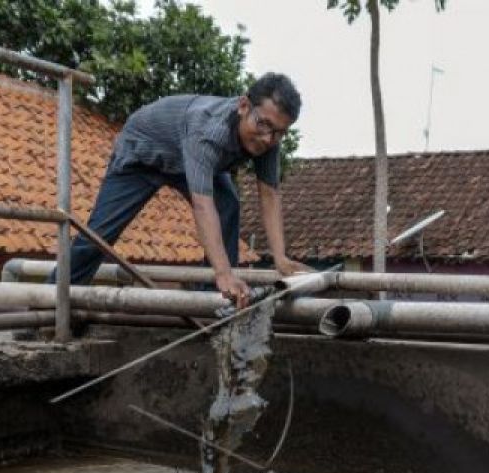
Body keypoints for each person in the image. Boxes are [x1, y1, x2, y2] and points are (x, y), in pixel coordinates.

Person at [53, 72, 310, 310]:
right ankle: (51, 303)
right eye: (263, 125)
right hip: (143, 154)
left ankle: (214, 302)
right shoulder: (208, 131)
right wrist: (223, 273)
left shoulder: (269, 141)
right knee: (98, 234)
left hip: (188, 159)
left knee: (228, 205)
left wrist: (280, 258)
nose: (268, 138)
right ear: (243, 106)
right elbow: (202, 205)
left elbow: (270, 194)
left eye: (278, 132)